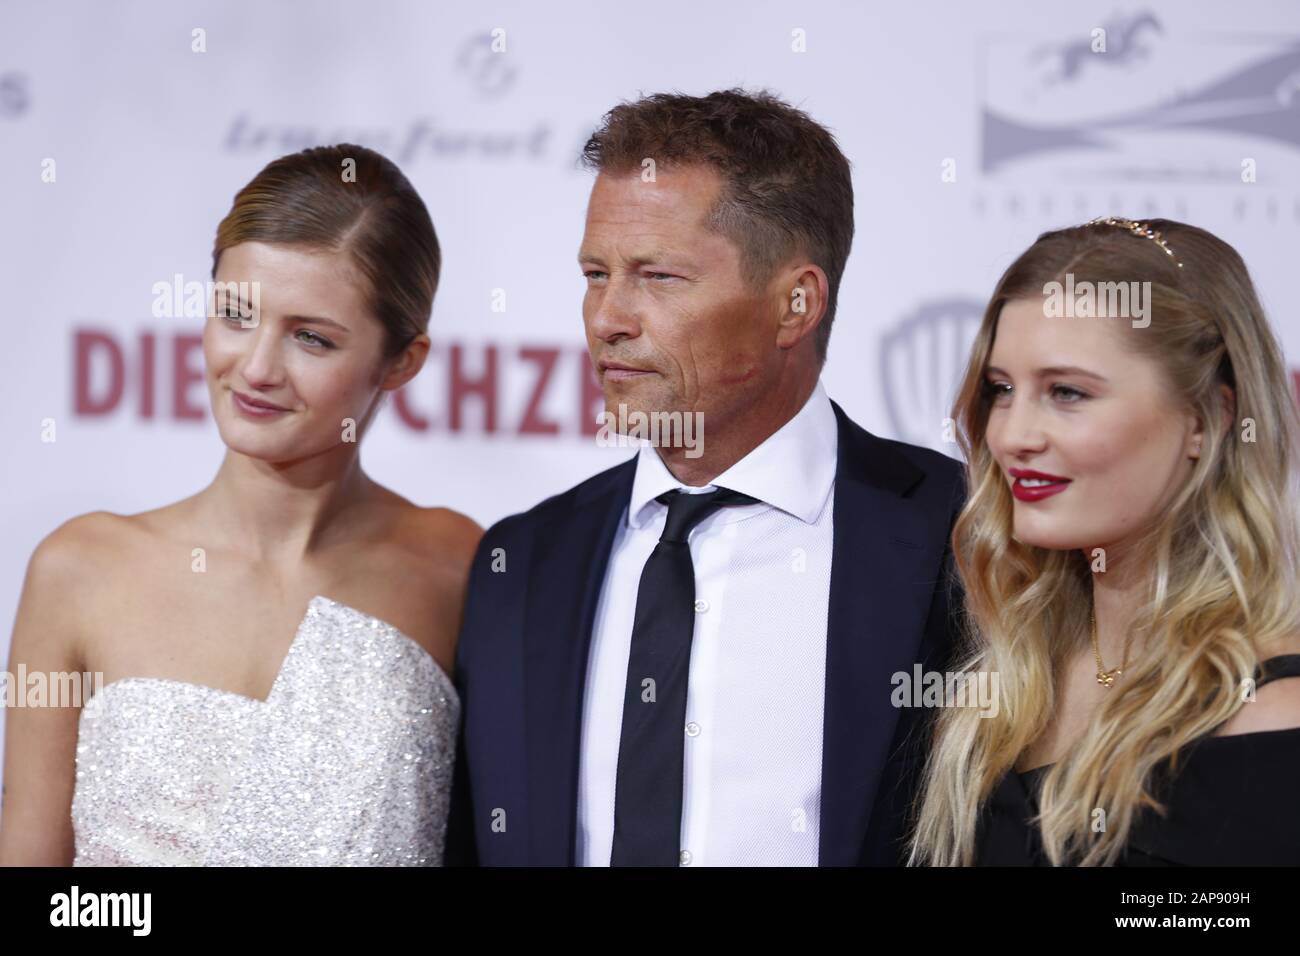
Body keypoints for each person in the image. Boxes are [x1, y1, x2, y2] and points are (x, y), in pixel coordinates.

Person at [446, 89, 965, 867]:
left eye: (657, 277)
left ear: (796, 304)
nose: (606, 318)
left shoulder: (963, 535)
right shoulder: (519, 563)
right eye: (596, 273)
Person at [0, 144, 480, 866]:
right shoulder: (81, 569)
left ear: (401, 362)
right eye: (235, 314)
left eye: (311, 339)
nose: (255, 368)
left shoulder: (458, 568)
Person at [907, 217, 1300, 866]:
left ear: (1208, 418)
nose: (1012, 435)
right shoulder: (999, 681)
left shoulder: (1269, 715)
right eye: (1002, 390)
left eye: (1067, 392)